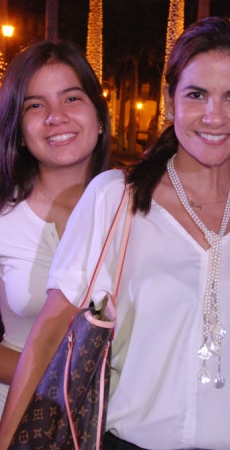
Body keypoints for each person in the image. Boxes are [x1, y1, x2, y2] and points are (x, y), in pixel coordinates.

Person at [0, 18, 230, 449]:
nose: (214, 115)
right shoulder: (116, 199)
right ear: (169, 100)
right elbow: (48, 332)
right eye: (196, 94)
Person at [0, 39, 111, 417]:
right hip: (16, 421)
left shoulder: (140, 208)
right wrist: (72, 380)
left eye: (72, 98)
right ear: (18, 127)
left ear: (99, 117)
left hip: (115, 430)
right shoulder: (4, 217)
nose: (55, 116)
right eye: (35, 105)